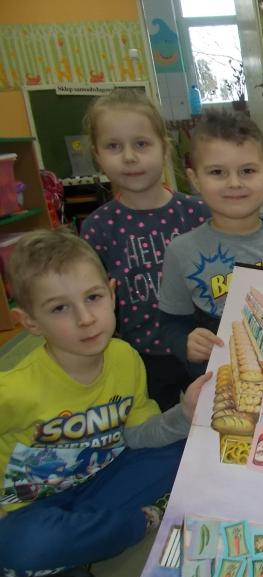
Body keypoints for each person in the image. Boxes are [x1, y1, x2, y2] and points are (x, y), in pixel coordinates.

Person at [0, 230, 208, 577]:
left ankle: (67, 551)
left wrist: (184, 414)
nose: (85, 319)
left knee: (184, 450)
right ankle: (131, 525)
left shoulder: (125, 357)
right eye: (59, 308)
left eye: (93, 298)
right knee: (22, 544)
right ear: (29, 322)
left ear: (112, 294)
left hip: (102, 479)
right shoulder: (14, 389)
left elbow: (140, 434)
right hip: (29, 508)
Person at [158, 111, 263, 376]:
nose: (234, 183)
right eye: (217, 172)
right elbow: (170, 323)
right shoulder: (181, 251)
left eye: (247, 171)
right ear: (195, 179)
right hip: (218, 380)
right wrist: (185, 342)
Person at [80, 88, 209, 410]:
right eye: (113, 146)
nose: (129, 157)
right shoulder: (98, 227)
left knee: (214, 418)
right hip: (141, 355)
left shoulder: (198, 213)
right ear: (97, 154)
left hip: (202, 346)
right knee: (154, 427)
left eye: (141, 144)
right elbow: (94, 297)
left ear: (164, 148)